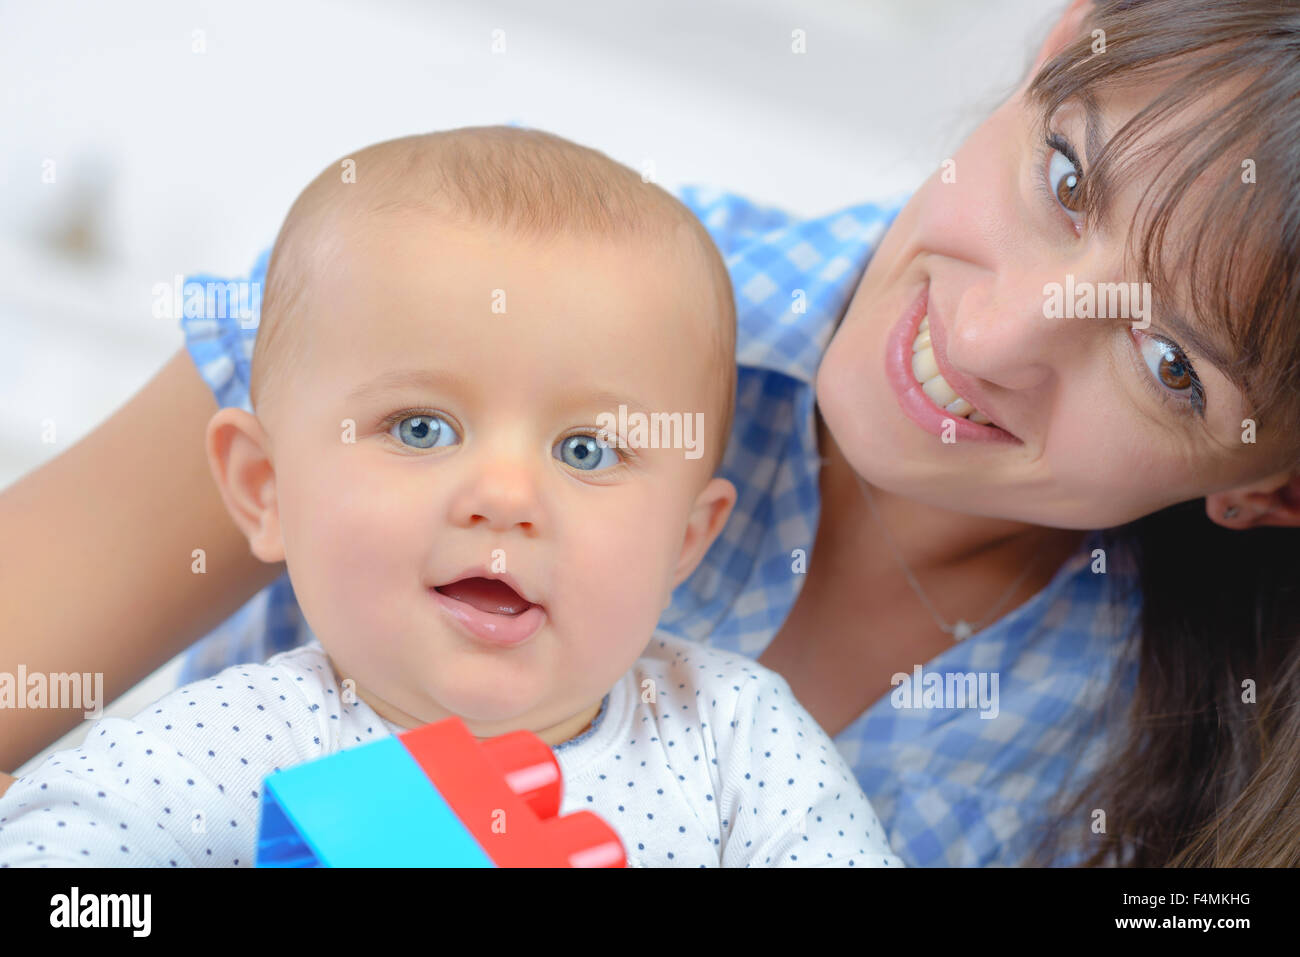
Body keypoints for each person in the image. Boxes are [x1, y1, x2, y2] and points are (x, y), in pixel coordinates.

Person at [3, 0, 1298, 866]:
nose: (991, 334)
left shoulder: (1168, 752)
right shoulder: (461, 275)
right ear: (1066, 36)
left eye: (1168, 364)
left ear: (1275, 488)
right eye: (1064, 179)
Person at [0, 127, 903, 868]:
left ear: (685, 541)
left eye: (586, 448)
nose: (507, 497)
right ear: (264, 488)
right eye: (421, 428)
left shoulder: (740, 742)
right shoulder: (239, 739)